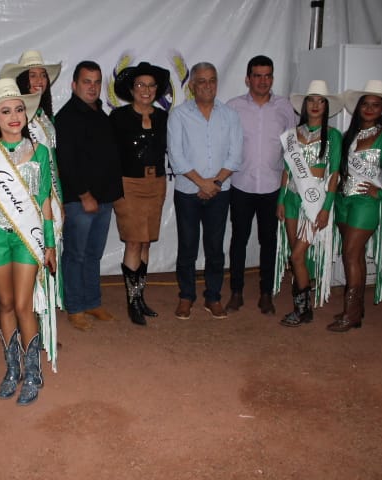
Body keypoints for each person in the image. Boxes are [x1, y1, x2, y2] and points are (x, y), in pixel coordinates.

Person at [0, 78, 56, 405]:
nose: (14, 116)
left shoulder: (41, 152)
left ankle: (33, 370)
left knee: (23, 304)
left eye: (19, 109)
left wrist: (49, 243)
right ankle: (12, 369)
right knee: (4, 304)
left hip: (27, 236)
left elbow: (45, 200)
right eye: (5, 111)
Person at [328, 80, 382, 332]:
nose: (369, 108)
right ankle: (357, 310)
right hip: (344, 201)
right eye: (366, 104)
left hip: (366, 202)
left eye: (376, 105)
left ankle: (350, 313)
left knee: (350, 254)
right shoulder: (348, 136)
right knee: (356, 255)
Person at [167, 62, 243, 320]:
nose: (208, 85)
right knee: (187, 247)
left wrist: (216, 184)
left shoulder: (230, 115)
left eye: (212, 80)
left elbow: (236, 155)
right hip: (188, 192)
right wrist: (202, 182)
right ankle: (186, 296)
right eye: (202, 81)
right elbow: (176, 156)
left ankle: (213, 297)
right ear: (192, 85)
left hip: (220, 192)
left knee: (215, 247)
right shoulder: (178, 115)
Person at [56, 61, 123, 331]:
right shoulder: (67, 117)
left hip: (103, 198)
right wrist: (85, 195)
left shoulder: (100, 114)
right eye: (87, 81)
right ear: (74, 85)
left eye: (96, 82)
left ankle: (92, 301)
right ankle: (75, 307)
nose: (92, 87)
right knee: (76, 254)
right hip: (80, 200)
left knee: (93, 253)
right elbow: (67, 162)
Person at [226, 55, 296, 315]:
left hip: (272, 187)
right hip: (241, 185)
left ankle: (267, 293)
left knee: (269, 242)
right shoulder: (232, 107)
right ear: (248, 78)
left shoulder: (285, 107)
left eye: (267, 76)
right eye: (257, 75)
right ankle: (236, 292)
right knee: (239, 241)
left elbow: (292, 150)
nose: (262, 81)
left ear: (272, 79)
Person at [0, 50, 64, 312]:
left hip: (45, 199)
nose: (38, 80)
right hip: (20, 202)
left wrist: (59, 200)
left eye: (43, 75)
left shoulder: (46, 117)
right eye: (32, 74)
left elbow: (52, 165)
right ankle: (26, 320)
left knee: (43, 258)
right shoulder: (15, 116)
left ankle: (37, 322)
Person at [274, 80, 343, 326]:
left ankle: (302, 309)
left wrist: (326, 209)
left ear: (326, 106)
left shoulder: (334, 136)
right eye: (311, 100)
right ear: (304, 105)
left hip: (315, 202)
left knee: (297, 256)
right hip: (292, 199)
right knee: (297, 256)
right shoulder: (293, 134)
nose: (315, 105)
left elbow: (334, 174)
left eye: (320, 101)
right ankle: (304, 308)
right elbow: (287, 170)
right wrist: (281, 199)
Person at [110, 62, 170, 326]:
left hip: (156, 183)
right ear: (132, 89)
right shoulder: (118, 117)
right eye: (140, 85)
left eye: (151, 85)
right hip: (128, 185)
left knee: (146, 242)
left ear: (157, 90)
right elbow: (109, 156)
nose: (146, 90)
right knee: (134, 242)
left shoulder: (164, 117)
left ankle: (140, 297)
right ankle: (132, 301)